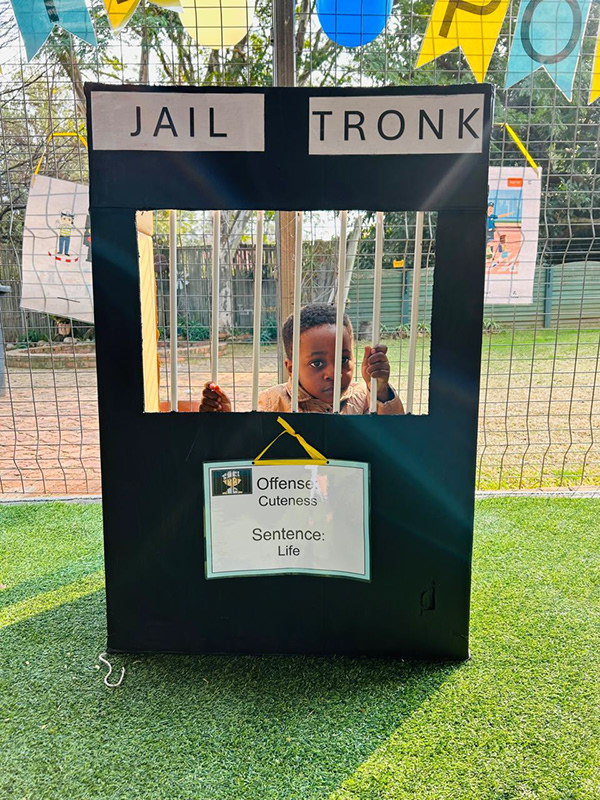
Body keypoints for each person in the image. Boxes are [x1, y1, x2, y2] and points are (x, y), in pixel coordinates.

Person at [200, 303, 404, 415]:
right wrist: (226, 421)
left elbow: (393, 436)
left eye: (343, 360)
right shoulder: (273, 402)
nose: (333, 374)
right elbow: (252, 449)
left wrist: (380, 389)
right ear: (291, 368)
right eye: (317, 363)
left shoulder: (365, 398)